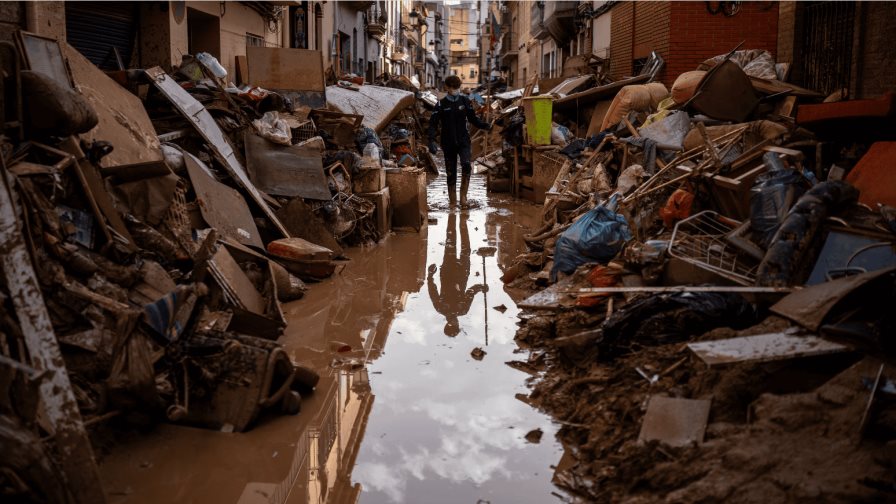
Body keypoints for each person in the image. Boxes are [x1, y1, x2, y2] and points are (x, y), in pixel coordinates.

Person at [428, 75, 492, 208]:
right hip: (448, 142)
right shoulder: (441, 104)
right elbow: (433, 124)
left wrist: (485, 125)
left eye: (457, 87)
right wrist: (431, 141)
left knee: (466, 165)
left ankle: (463, 198)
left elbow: (473, 119)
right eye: (452, 87)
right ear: (447, 87)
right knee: (451, 171)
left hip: (464, 140)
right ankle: (452, 200)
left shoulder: (465, 101)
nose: (455, 90)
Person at [427, 212, 487, 336]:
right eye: (456, 325)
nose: (455, 322)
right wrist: (480, 287)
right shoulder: (462, 310)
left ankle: (452, 216)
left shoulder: (441, 308)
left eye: (453, 325)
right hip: (461, 272)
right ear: (458, 324)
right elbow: (470, 292)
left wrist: (430, 276)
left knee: (451, 241)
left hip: (448, 271)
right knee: (464, 247)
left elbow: (432, 291)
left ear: (448, 324)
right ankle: (462, 221)